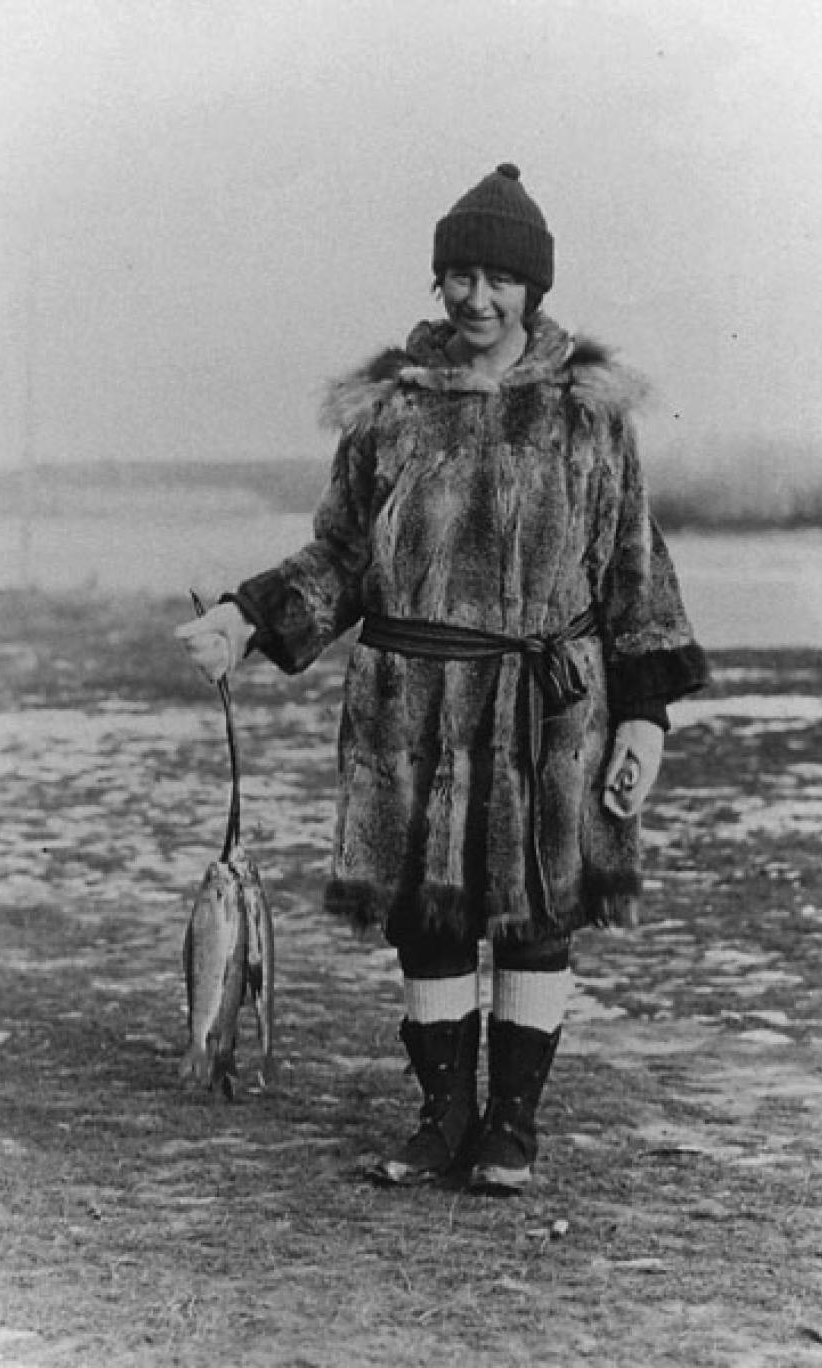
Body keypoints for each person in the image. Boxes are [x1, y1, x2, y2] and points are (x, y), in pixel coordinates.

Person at [176, 162, 709, 1194]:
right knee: (430, 918)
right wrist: (245, 621)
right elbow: (338, 556)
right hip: (408, 703)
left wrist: (645, 717)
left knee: (532, 915)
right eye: (456, 275)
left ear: (533, 289)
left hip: (545, 708)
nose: (475, 298)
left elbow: (635, 566)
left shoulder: (590, 415)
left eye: (497, 278)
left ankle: (511, 1124)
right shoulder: (390, 413)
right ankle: (442, 1117)